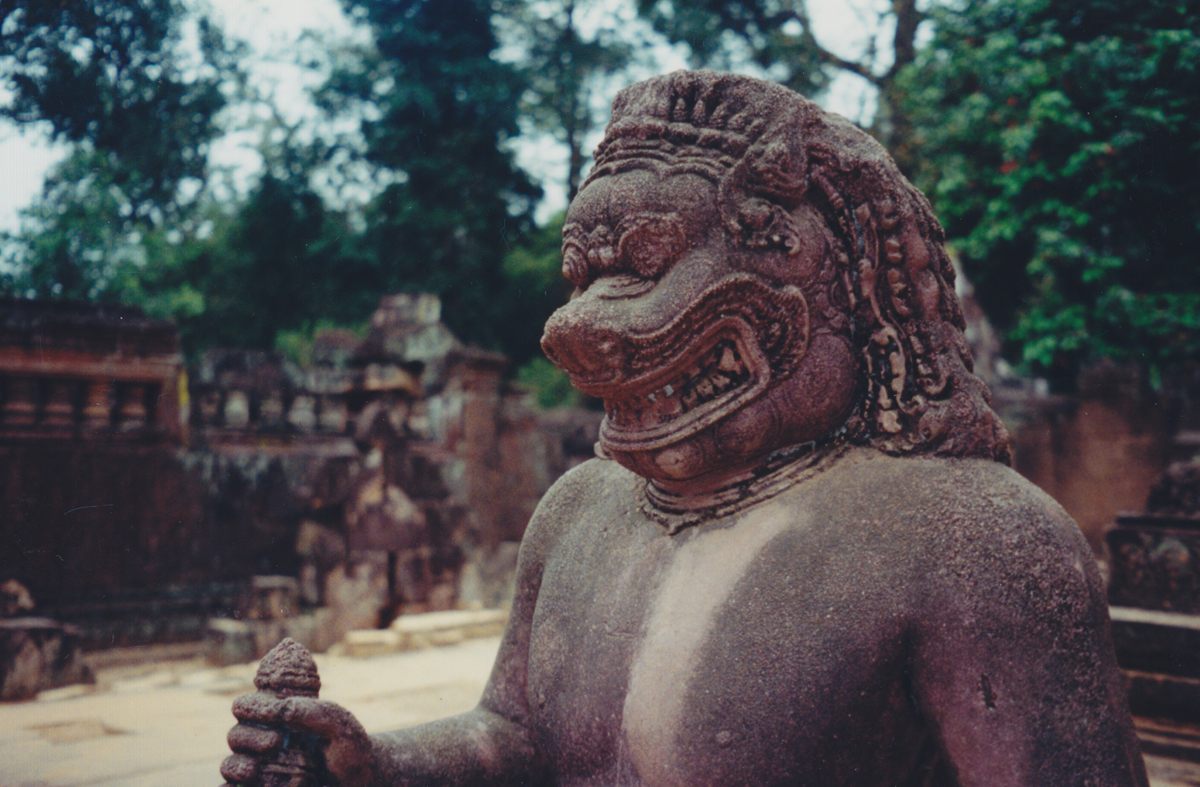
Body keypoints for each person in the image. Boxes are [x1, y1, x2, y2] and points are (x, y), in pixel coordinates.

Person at [223, 70, 1148, 787]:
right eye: (583, 272)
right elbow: (516, 735)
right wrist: (375, 764)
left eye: (645, 259)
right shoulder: (580, 510)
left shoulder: (972, 539)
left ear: (821, 264)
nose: (577, 323)